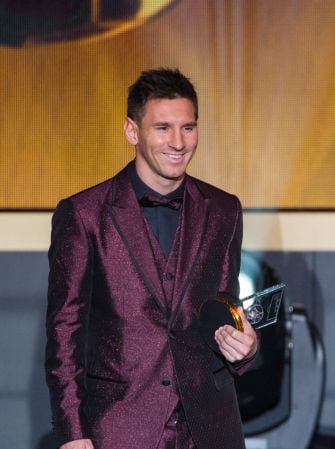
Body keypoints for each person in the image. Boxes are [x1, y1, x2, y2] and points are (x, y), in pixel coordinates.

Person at [45, 68, 259, 449]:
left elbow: (223, 312)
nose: (178, 142)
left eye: (188, 127)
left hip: (210, 428)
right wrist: (73, 434)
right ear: (132, 131)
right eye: (162, 128)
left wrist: (245, 348)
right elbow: (65, 333)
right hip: (119, 428)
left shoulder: (225, 209)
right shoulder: (84, 214)